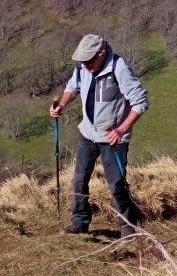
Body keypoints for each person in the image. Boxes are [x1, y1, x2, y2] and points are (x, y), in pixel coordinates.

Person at [49, 34, 149, 237]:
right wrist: (61, 105)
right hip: (87, 133)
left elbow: (140, 102)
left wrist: (121, 129)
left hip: (112, 138)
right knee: (78, 180)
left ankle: (127, 227)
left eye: (89, 61)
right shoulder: (82, 67)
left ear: (101, 54)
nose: (85, 66)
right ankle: (80, 222)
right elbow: (72, 87)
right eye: (82, 61)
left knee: (116, 184)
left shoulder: (119, 69)